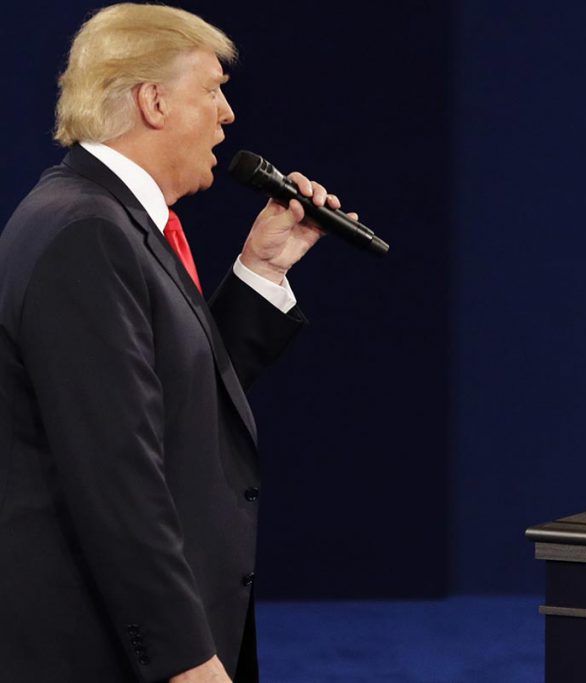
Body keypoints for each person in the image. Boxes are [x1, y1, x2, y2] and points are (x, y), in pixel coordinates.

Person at [0, 4, 352, 682]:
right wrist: (185, 658)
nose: (228, 114)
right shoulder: (86, 233)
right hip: (100, 650)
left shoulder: (102, 218)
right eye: (213, 88)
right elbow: (116, 472)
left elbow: (167, 400)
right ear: (154, 101)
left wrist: (261, 267)